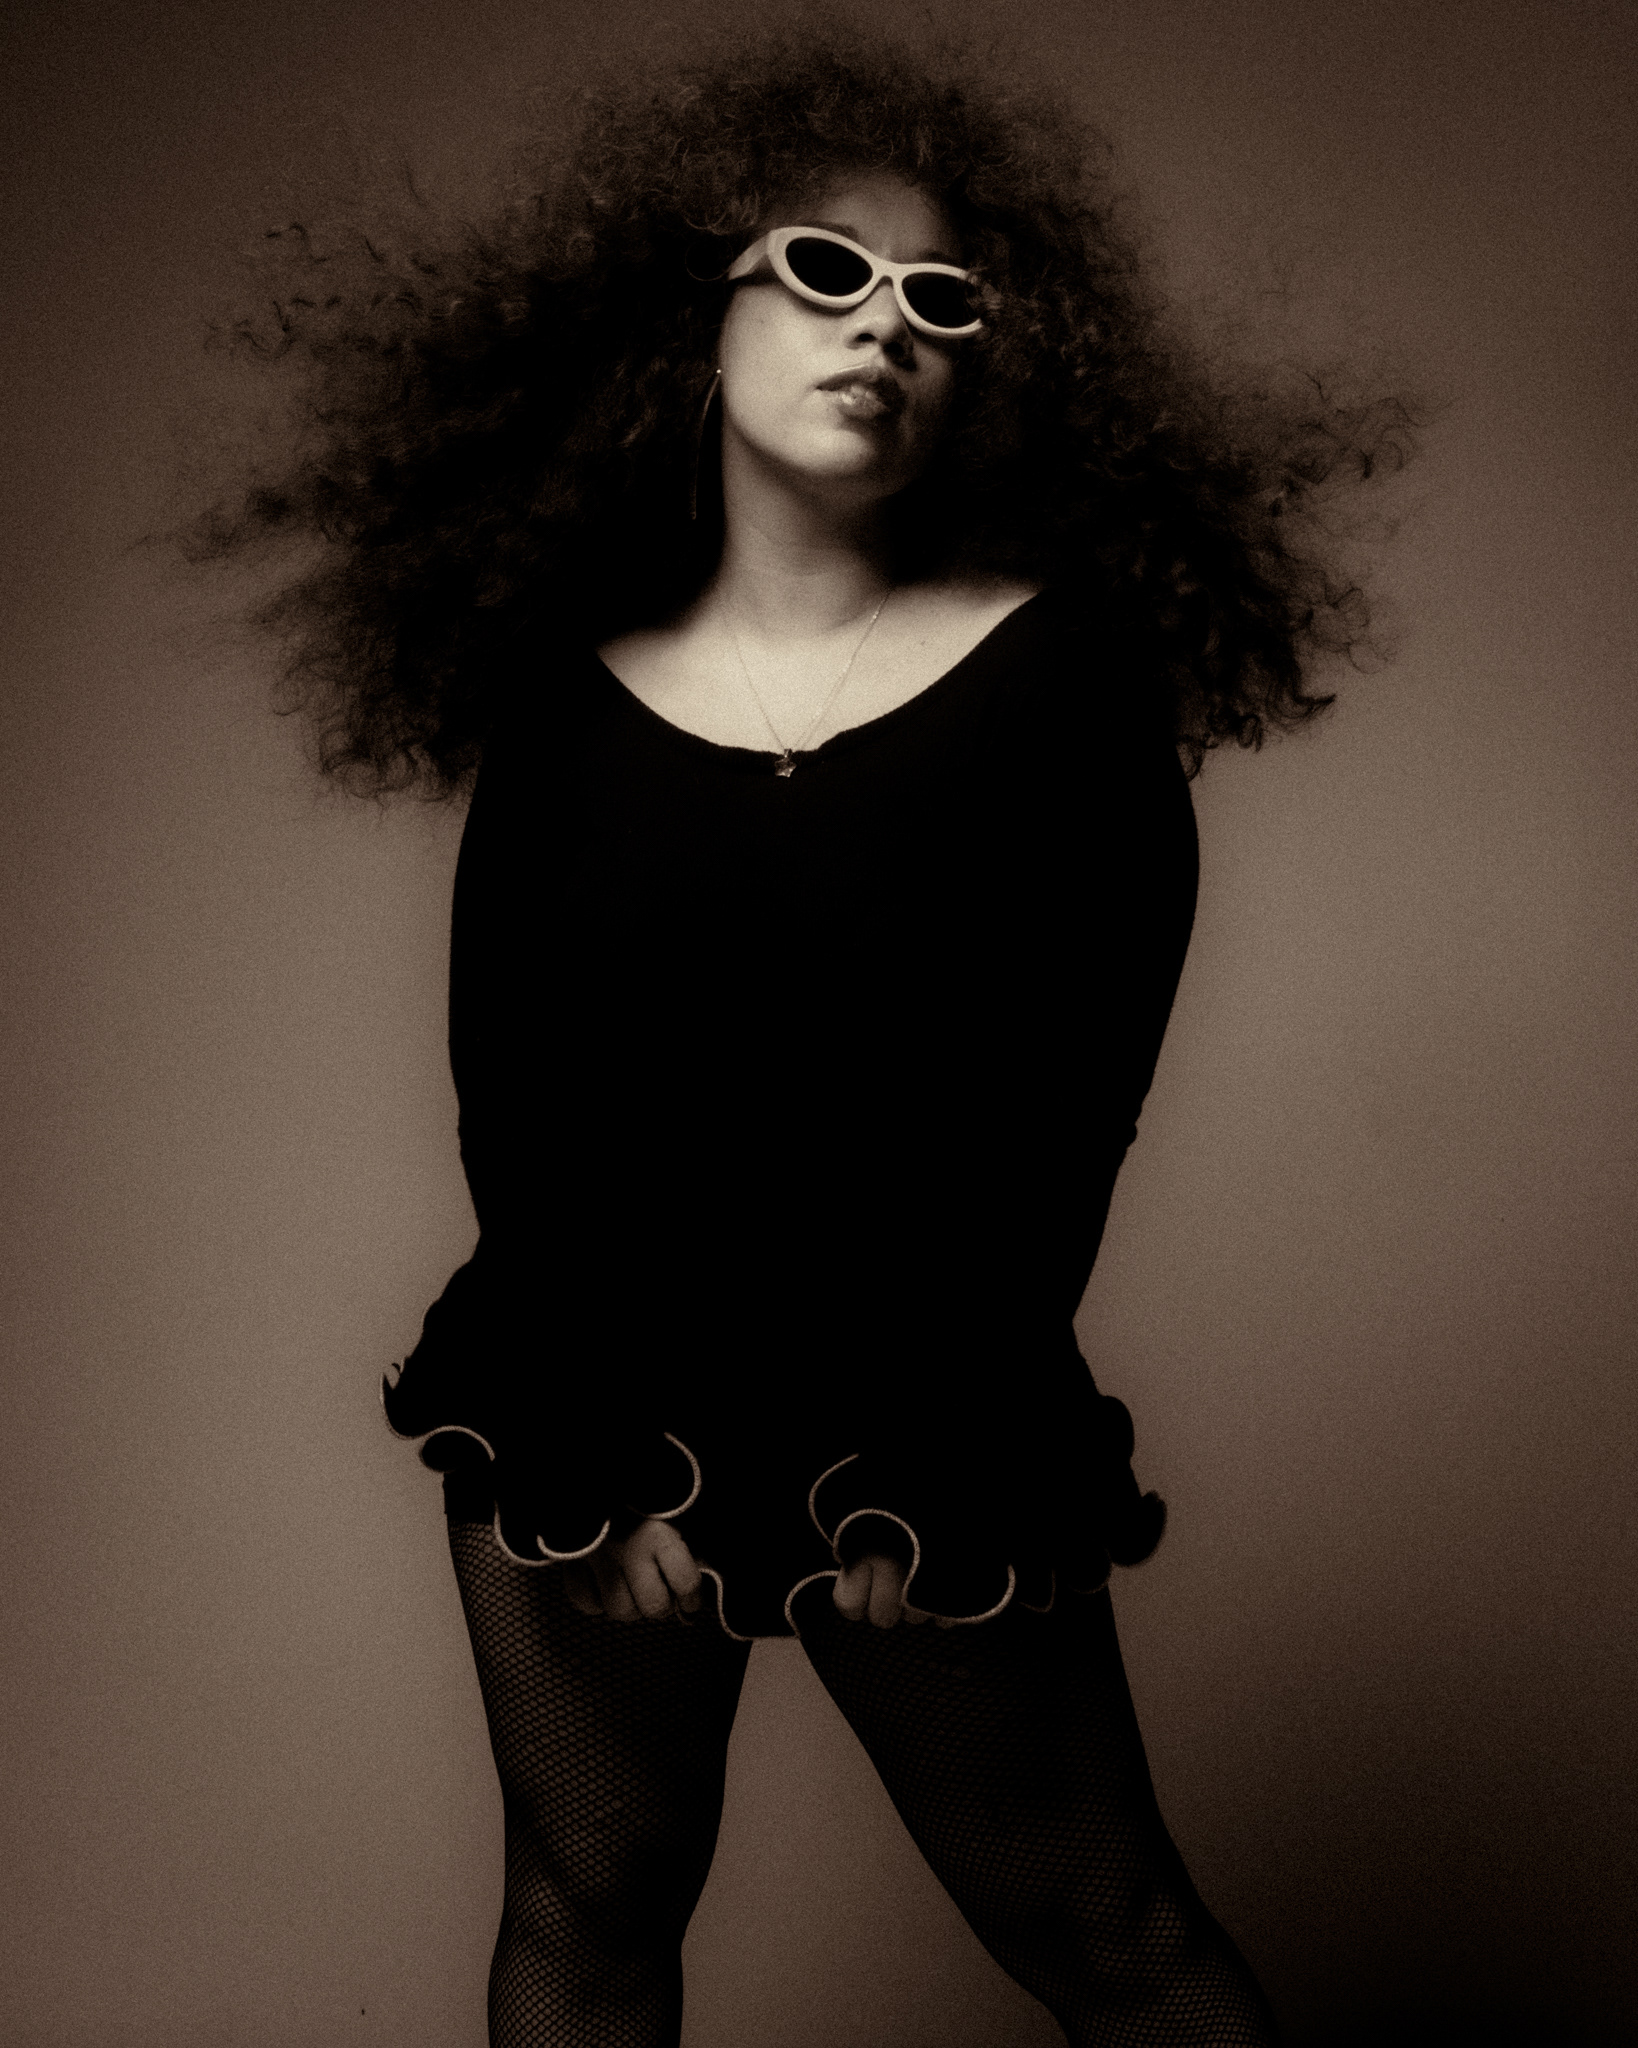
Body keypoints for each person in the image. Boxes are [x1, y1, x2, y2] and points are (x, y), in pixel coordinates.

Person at [191, 30, 1409, 2047]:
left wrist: (936, 1461)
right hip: (586, 1399)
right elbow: (521, 1110)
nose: (886, 326)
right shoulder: (564, 703)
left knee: (1113, 1929)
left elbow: (1061, 1126)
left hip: (919, 1412)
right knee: (587, 1903)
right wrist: (586, 1453)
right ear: (697, 311)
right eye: (829, 271)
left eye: (944, 300)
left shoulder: (1063, 685)